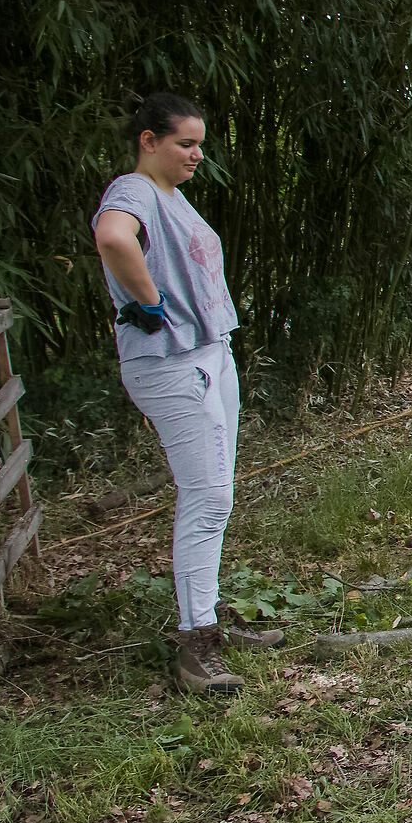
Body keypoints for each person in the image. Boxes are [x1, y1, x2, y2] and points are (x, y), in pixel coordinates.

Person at [91, 92, 283, 696]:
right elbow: (112, 237)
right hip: (172, 364)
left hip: (207, 356)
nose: (197, 154)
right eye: (185, 144)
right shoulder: (135, 189)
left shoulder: (171, 195)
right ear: (149, 141)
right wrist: (148, 303)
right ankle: (196, 643)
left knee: (216, 496)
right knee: (207, 498)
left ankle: (209, 614)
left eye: (200, 143)